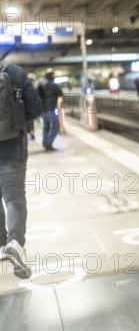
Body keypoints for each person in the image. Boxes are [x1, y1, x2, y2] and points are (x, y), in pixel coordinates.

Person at [0, 63, 43, 278]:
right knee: (14, 198)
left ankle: (1, 246)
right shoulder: (13, 71)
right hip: (13, 147)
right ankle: (15, 243)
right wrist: (16, 124)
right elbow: (35, 107)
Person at [38, 68, 64, 151]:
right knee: (56, 125)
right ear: (52, 75)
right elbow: (61, 93)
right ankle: (48, 143)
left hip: (42, 109)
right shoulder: (53, 85)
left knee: (46, 125)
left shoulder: (40, 84)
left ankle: (45, 143)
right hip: (51, 109)